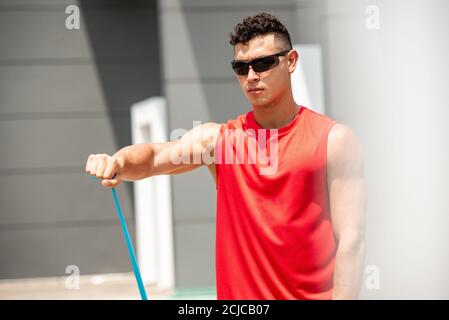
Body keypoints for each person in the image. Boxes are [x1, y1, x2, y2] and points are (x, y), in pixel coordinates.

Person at [85, 12, 366, 300]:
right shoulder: (220, 141)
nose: (252, 76)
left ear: (291, 61)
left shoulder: (334, 140)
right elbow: (154, 157)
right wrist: (116, 162)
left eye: (264, 63)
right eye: (241, 67)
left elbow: (351, 240)